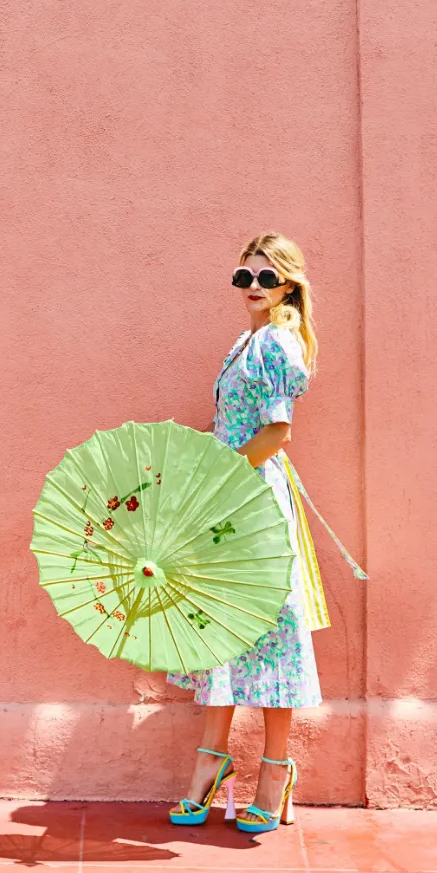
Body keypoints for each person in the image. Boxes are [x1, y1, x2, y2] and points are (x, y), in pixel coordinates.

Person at [167, 232, 322, 835]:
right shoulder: (246, 341)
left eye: (265, 277)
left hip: (252, 501)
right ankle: (212, 760)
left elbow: (277, 432)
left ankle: (276, 771)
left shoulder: (278, 342)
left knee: (271, 629)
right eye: (243, 277)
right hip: (228, 496)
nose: (253, 287)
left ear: (288, 284)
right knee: (220, 629)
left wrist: (224, 476)